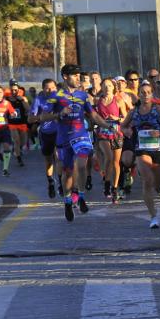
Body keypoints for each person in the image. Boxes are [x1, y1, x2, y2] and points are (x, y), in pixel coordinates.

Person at [39, 64, 109, 221]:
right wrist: (59, 113)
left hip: (81, 135)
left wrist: (109, 125)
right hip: (64, 138)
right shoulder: (55, 95)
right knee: (68, 172)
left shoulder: (83, 95)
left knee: (83, 165)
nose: (78, 78)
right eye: (75, 76)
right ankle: (68, 201)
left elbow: (94, 116)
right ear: (65, 77)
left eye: (79, 76)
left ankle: (82, 195)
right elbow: (43, 117)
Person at [120, 81, 160, 228]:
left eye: (148, 92)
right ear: (138, 95)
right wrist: (127, 131)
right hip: (142, 148)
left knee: (157, 184)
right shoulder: (134, 111)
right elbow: (123, 125)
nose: (145, 95)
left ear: (152, 94)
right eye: (142, 92)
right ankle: (153, 217)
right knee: (147, 180)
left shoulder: (157, 109)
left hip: (159, 149)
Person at [94, 77, 127, 202]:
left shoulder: (118, 100)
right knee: (109, 157)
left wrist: (116, 118)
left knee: (116, 163)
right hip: (103, 133)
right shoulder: (98, 101)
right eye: (105, 85)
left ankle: (114, 187)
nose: (107, 88)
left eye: (110, 85)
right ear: (101, 87)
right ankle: (107, 183)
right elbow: (93, 116)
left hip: (116, 133)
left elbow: (125, 118)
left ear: (114, 87)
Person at [29, 79, 61, 198]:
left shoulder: (60, 97)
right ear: (43, 89)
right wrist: (41, 117)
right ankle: (51, 182)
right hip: (46, 133)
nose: (51, 90)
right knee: (49, 160)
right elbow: (30, 119)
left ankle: (61, 183)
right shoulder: (38, 100)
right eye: (47, 88)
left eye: (53, 88)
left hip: (59, 131)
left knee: (58, 156)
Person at [5, 83, 29, 168]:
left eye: (15, 90)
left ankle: (17, 149)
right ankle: (19, 159)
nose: (14, 91)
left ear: (19, 90)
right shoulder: (7, 99)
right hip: (12, 123)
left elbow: (28, 109)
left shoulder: (23, 98)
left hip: (22, 122)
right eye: (12, 90)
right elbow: (4, 111)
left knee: (23, 142)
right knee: (16, 140)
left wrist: (22, 100)